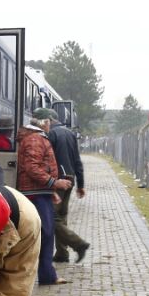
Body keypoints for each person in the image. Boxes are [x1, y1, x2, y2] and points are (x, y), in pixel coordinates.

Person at [17, 109, 72, 285]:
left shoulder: (36, 138)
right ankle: (46, 275)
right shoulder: (35, 139)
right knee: (46, 233)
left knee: (45, 233)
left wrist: (51, 192)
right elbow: (32, 167)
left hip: (39, 192)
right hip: (35, 193)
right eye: (49, 121)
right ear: (43, 122)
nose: (51, 125)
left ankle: (46, 274)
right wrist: (54, 184)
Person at [46, 113, 90, 264]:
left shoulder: (50, 134)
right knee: (62, 216)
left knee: (51, 217)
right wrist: (81, 184)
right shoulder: (70, 133)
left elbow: (48, 159)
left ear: (49, 120)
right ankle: (62, 253)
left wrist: (50, 181)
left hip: (58, 180)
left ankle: (79, 244)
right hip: (70, 178)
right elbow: (77, 160)